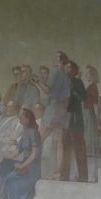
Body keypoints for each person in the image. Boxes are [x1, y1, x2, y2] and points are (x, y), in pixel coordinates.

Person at [1, 107, 42, 199]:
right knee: (8, 178)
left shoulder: (33, 132)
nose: (20, 119)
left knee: (14, 182)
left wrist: (22, 165)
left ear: (28, 119)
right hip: (25, 166)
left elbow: (34, 155)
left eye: (22, 117)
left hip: (32, 168)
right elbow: (16, 152)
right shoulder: (25, 133)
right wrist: (1, 156)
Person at [40, 51, 70, 179]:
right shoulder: (66, 75)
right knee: (58, 142)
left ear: (61, 61)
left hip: (53, 108)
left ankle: (33, 164)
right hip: (62, 109)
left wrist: (38, 82)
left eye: (56, 57)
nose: (54, 59)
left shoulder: (56, 72)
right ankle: (57, 171)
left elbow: (48, 90)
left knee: (41, 136)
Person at [59, 59, 87, 182]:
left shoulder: (78, 82)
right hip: (64, 121)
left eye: (69, 68)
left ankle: (83, 177)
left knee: (79, 150)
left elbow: (82, 97)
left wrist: (73, 88)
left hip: (75, 121)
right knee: (66, 151)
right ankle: (64, 177)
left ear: (74, 70)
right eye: (66, 67)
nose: (67, 70)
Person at [0, 100, 23, 196]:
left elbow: (13, 139)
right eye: (8, 106)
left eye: (11, 106)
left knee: (5, 174)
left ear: (16, 109)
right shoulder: (2, 120)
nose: (8, 108)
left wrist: (0, 140)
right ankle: (0, 194)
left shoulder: (19, 121)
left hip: (9, 153)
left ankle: (5, 195)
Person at [83, 65, 101, 182]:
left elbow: (95, 105)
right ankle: (88, 175)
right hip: (85, 115)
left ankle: (92, 175)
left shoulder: (93, 87)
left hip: (90, 116)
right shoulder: (89, 86)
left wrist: (97, 119)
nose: (87, 74)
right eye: (87, 73)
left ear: (93, 75)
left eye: (90, 73)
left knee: (90, 146)